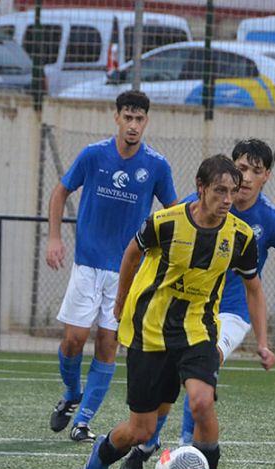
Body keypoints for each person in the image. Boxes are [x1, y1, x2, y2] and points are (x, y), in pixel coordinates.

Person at [78, 154, 275, 469]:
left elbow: (254, 288)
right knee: (141, 430)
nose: (228, 200)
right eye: (219, 191)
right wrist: (121, 302)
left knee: (201, 402)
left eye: (232, 192)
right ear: (200, 188)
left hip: (197, 331)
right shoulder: (164, 223)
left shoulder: (241, 237)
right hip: (150, 331)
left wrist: (262, 341)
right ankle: (103, 453)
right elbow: (131, 255)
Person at [117, 138, 275, 469]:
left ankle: (188, 456)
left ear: (266, 176)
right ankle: (145, 446)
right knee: (171, 383)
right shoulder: (198, 205)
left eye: (256, 171)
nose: (246, 178)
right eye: (241, 168)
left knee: (202, 380)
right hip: (185, 308)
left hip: (231, 314)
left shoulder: (269, 220)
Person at [46, 90, 177, 443]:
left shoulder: (156, 165)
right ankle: (72, 394)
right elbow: (60, 192)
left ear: (146, 122)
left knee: (107, 343)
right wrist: (54, 238)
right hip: (87, 264)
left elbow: (172, 212)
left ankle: (83, 422)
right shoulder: (94, 155)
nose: (133, 125)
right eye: (128, 117)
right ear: (117, 118)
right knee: (73, 340)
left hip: (127, 272)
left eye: (140, 119)